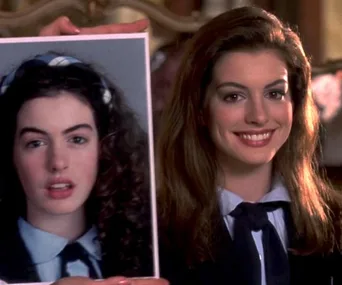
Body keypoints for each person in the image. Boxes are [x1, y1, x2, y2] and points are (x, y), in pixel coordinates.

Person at [156, 6, 342, 285]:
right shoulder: (153, 232)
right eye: (234, 96)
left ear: (297, 103)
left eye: (275, 93)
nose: (258, 116)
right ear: (199, 108)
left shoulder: (336, 222)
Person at [0, 52, 159, 285]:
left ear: (104, 147)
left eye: (77, 139)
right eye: (36, 143)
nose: (58, 162)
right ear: (10, 153)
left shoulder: (151, 251)